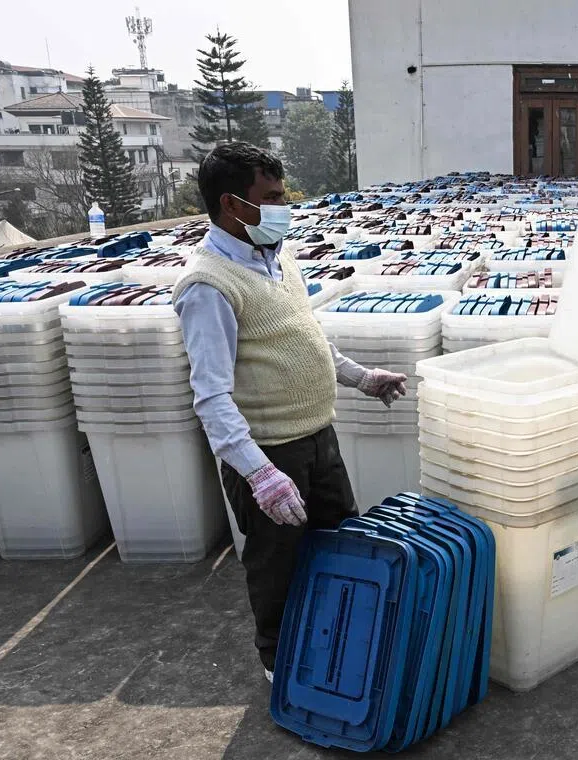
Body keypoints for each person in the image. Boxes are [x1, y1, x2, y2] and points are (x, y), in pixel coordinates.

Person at [173, 142, 409, 683]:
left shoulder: (276, 258)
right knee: (277, 566)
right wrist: (260, 475)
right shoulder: (207, 286)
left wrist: (361, 378)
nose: (285, 207)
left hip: (317, 438)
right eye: (273, 197)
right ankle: (281, 668)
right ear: (233, 204)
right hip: (270, 453)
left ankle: (338, 645)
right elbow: (211, 397)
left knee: (341, 544)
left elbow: (306, 338)